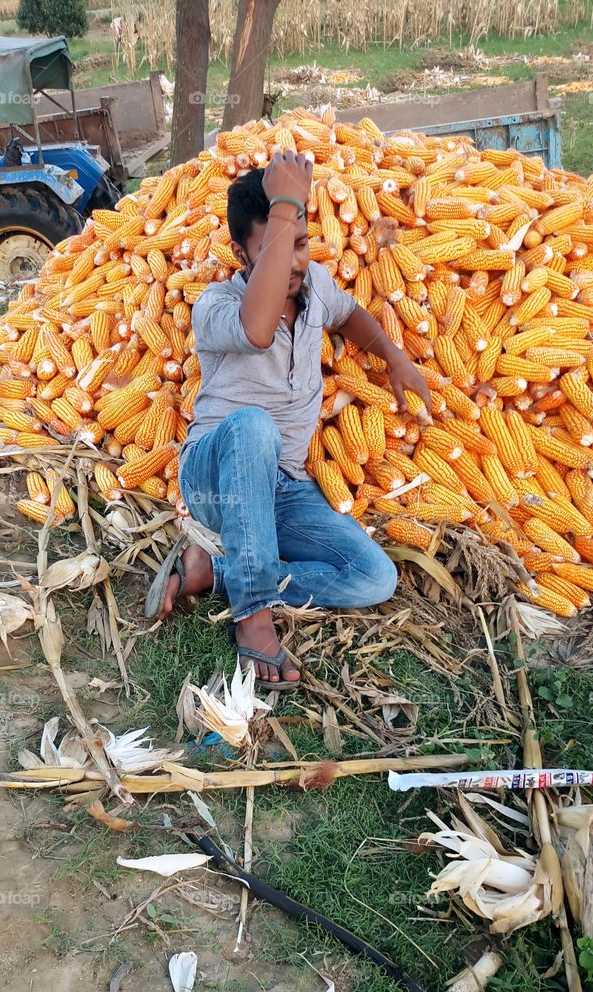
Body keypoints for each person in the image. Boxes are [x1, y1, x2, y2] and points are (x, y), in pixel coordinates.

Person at [145, 150, 431, 690]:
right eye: (277, 247)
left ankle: (219, 572)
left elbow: (348, 314)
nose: (295, 262)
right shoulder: (217, 306)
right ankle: (253, 620)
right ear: (241, 254)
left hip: (283, 489)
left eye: (301, 244)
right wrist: (284, 205)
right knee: (254, 427)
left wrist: (394, 358)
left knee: (373, 577)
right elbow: (256, 330)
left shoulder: (316, 285)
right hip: (217, 477)